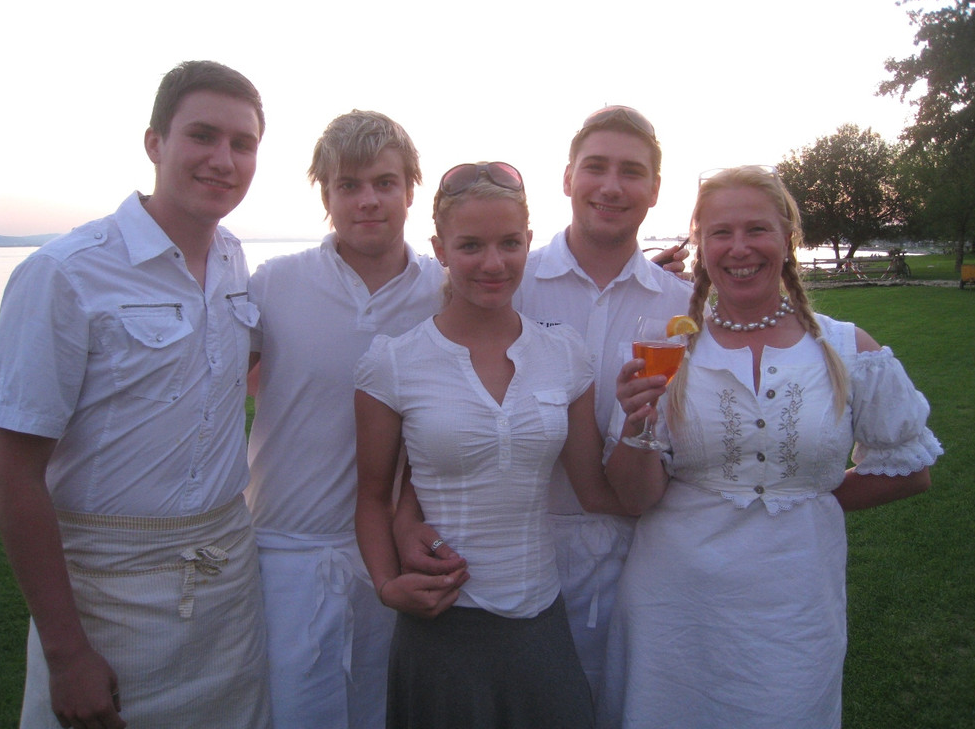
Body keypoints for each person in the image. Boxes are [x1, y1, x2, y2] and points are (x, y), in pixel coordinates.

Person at [599, 165, 941, 729]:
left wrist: (803, 497)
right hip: (674, 609)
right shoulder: (668, 349)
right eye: (720, 233)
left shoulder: (847, 348)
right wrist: (637, 423)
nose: (739, 248)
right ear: (701, 245)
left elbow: (910, 470)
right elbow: (635, 499)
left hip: (796, 610)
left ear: (787, 239)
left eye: (756, 229)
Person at [0, 61, 272, 728]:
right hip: (105, 602)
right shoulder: (64, 273)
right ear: (155, 142)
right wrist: (66, 653)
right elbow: (12, 470)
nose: (223, 159)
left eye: (243, 144)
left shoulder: (233, 259)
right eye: (202, 135)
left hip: (228, 595)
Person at [397, 106, 695, 701]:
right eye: (596, 167)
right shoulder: (504, 276)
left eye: (632, 171)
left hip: (642, 554)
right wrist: (406, 521)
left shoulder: (680, 306)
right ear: (567, 178)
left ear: (656, 189)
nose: (611, 186)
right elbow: (431, 407)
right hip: (513, 557)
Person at [356, 161, 634, 728]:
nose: (493, 263)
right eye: (470, 245)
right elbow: (371, 497)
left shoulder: (565, 354)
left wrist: (642, 424)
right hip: (441, 625)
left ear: (528, 242)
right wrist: (387, 586)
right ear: (440, 248)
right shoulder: (394, 362)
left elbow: (595, 489)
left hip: (540, 620)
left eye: (509, 243)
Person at [244, 110, 463, 729]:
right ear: (326, 196)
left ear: (410, 190)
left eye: (385, 183)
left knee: (386, 711)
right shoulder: (274, 284)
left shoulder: (445, 291)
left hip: (395, 556)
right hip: (284, 553)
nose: (368, 200)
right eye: (349, 185)